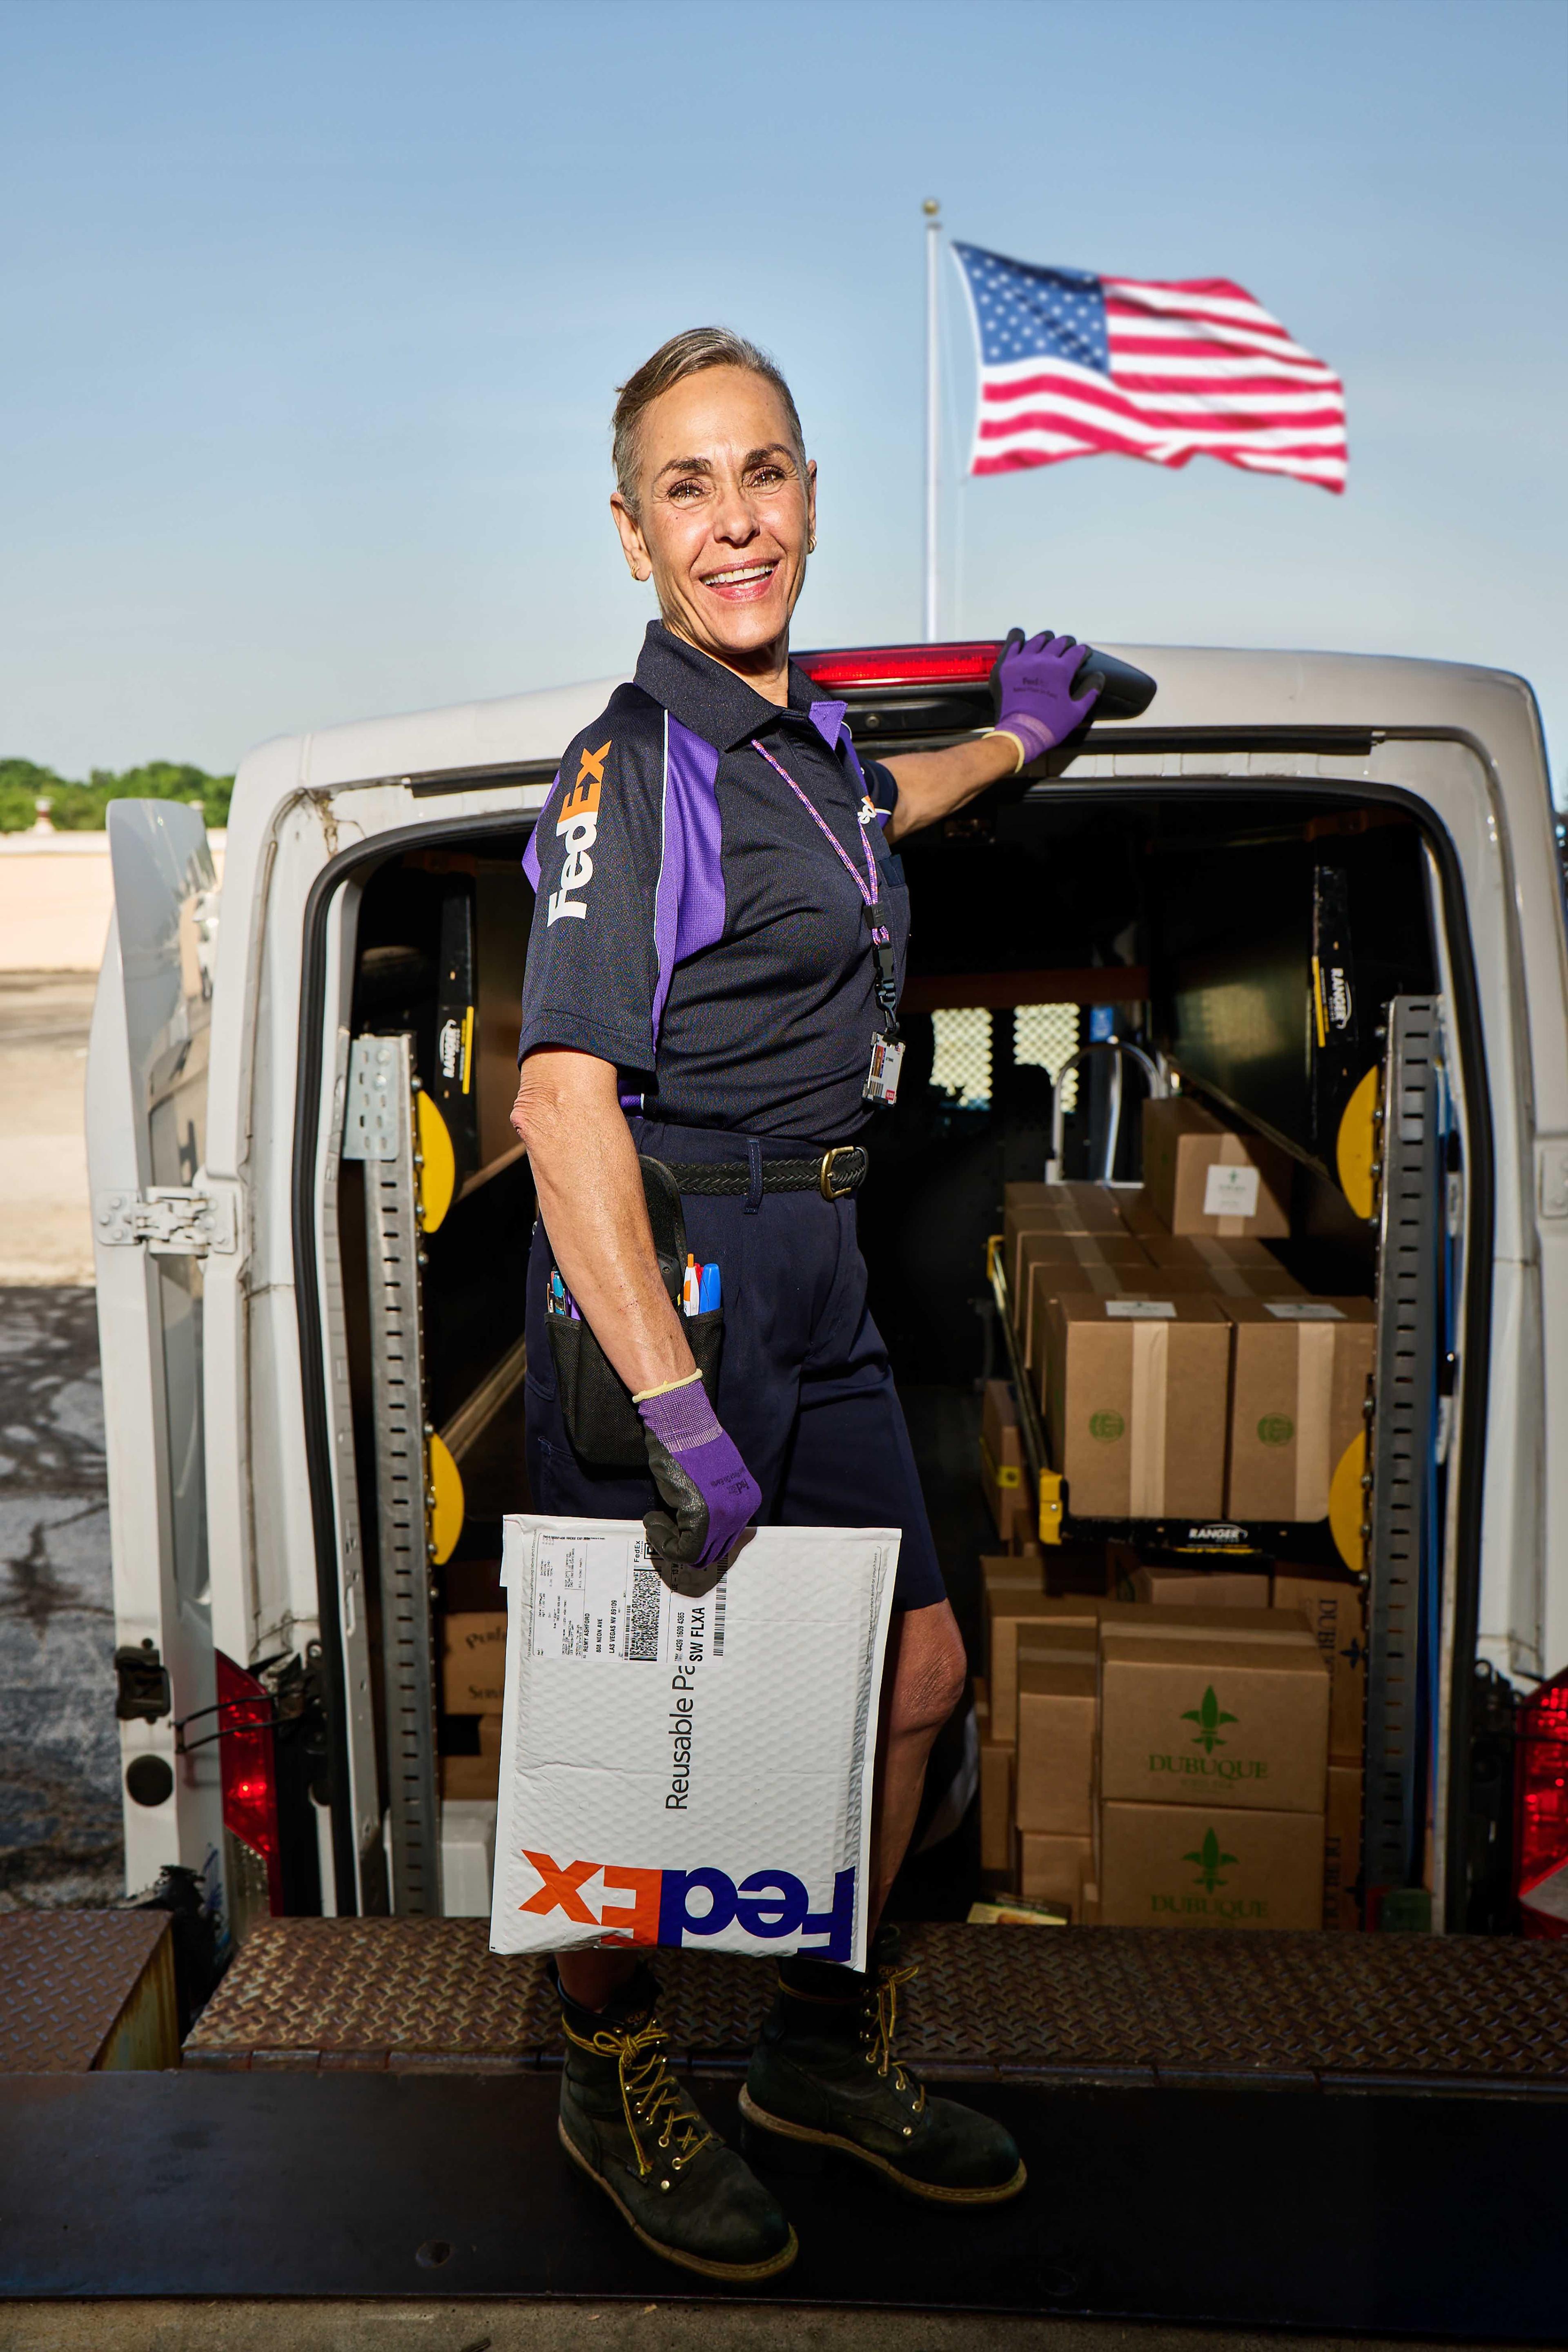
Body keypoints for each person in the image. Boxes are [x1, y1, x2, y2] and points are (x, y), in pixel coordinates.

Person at [511, 326, 1099, 2282]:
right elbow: (561, 1099)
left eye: (761, 472)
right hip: (668, 1289)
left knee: (920, 1681)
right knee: (640, 1776)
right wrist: (677, 1411)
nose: (734, 516)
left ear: (811, 495)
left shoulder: (814, 751)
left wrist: (1014, 742)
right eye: (687, 487)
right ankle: (609, 2065)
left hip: (822, 1275)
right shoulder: (639, 762)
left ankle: (815, 2053)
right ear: (630, 533)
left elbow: (878, 815)